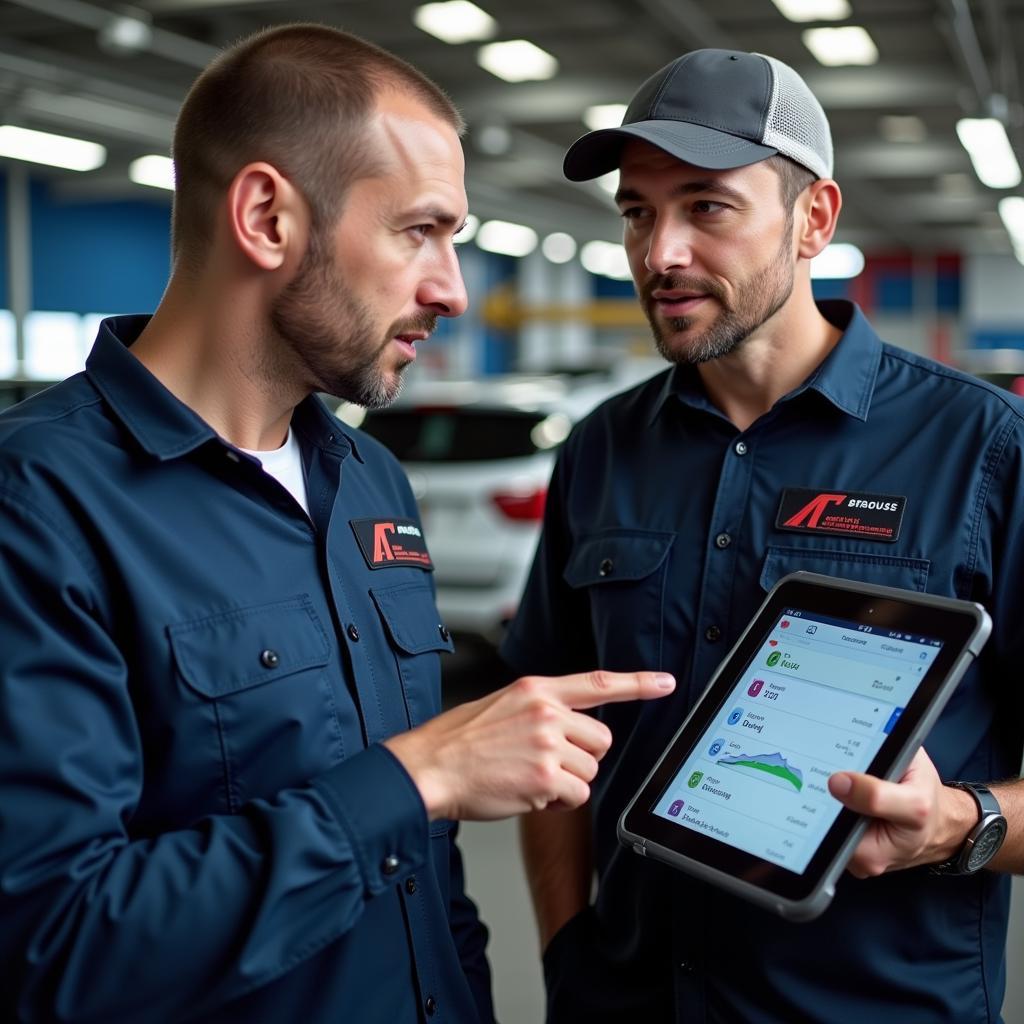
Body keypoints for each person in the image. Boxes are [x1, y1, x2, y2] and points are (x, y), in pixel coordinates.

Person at [0, 24, 677, 1024]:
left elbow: (431, 884)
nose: (451, 287)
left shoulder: (370, 483)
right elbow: (50, 947)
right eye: (420, 231)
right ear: (268, 216)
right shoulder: (40, 506)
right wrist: (416, 775)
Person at [503, 48, 1024, 1023]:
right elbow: (551, 730)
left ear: (813, 220)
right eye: (636, 211)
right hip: (631, 1000)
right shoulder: (601, 449)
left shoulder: (980, 448)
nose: (659, 253)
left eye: (706, 207)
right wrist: (568, 950)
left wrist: (957, 821)